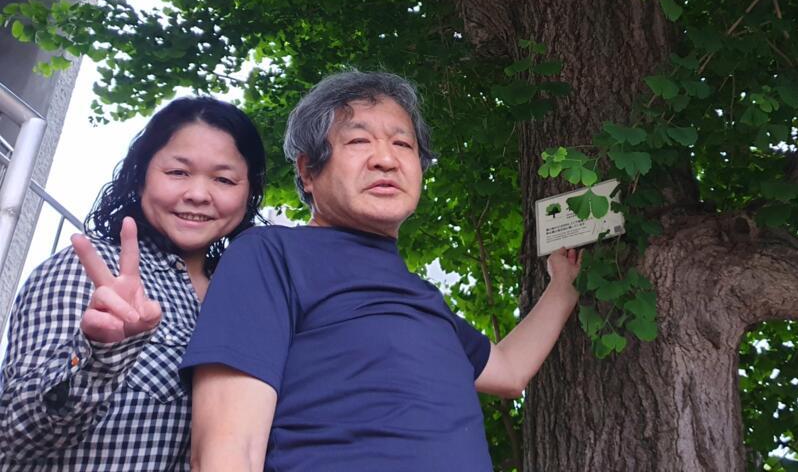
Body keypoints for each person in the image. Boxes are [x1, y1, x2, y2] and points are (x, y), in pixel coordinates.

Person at [182, 71, 581, 471]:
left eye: (402, 144)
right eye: (358, 141)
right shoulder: (271, 254)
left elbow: (509, 372)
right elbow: (229, 450)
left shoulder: (424, 299)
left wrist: (563, 286)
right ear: (308, 171)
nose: (386, 160)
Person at [0, 97, 267, 471]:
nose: (198, 194)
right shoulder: (89, 270)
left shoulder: (250, 299)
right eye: (178, 172)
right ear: (141, 176)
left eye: (223, 179)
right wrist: (99, 354)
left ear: (249, 193)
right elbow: (14, 434)